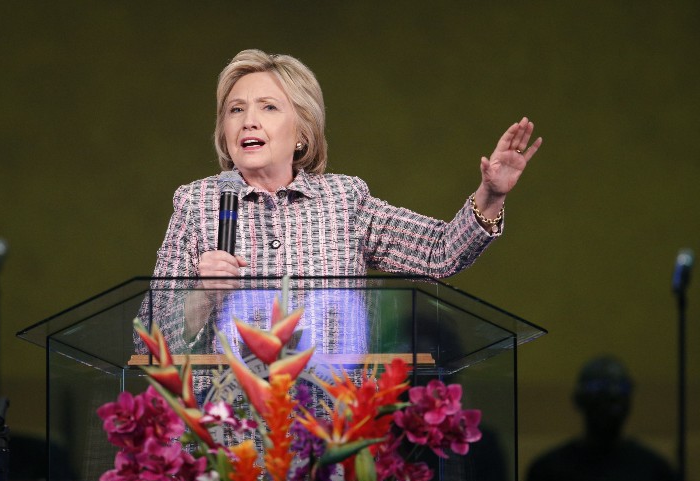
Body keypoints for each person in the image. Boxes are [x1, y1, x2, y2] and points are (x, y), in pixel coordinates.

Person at [138, 48, 542, 357]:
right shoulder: (197, 203)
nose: (248, 121)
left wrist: (491, 195)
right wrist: (201, 295)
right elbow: (148, 342)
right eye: (235, 109)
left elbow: (439, 254)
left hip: (328, 431)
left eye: (269, 107)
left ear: (302, 131)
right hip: (229, 438)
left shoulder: (344, 200)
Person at [526, 355, 677, 481]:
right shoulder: (548, 471)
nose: (610, 403)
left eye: (619, 393)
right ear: (579, 400)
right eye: (600, 392)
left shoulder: (655, 471)